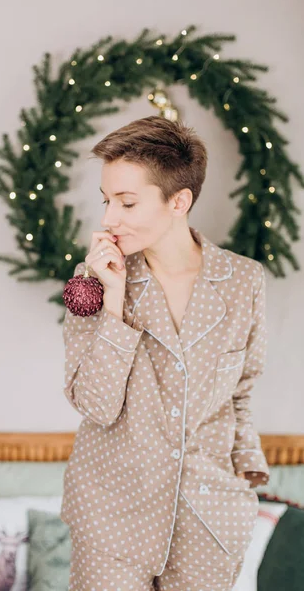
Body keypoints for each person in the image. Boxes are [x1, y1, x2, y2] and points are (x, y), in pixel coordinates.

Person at [60, 115, 270, 590]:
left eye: (127, 202)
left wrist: (244, 480)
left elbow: (241, 390)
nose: (109, 219)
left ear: (179, 201)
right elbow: (95, 404)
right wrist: (113, 302)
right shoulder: (92, 280)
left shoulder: (243, 282)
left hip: (209, 517)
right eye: (107, 200)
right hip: (111, 516)